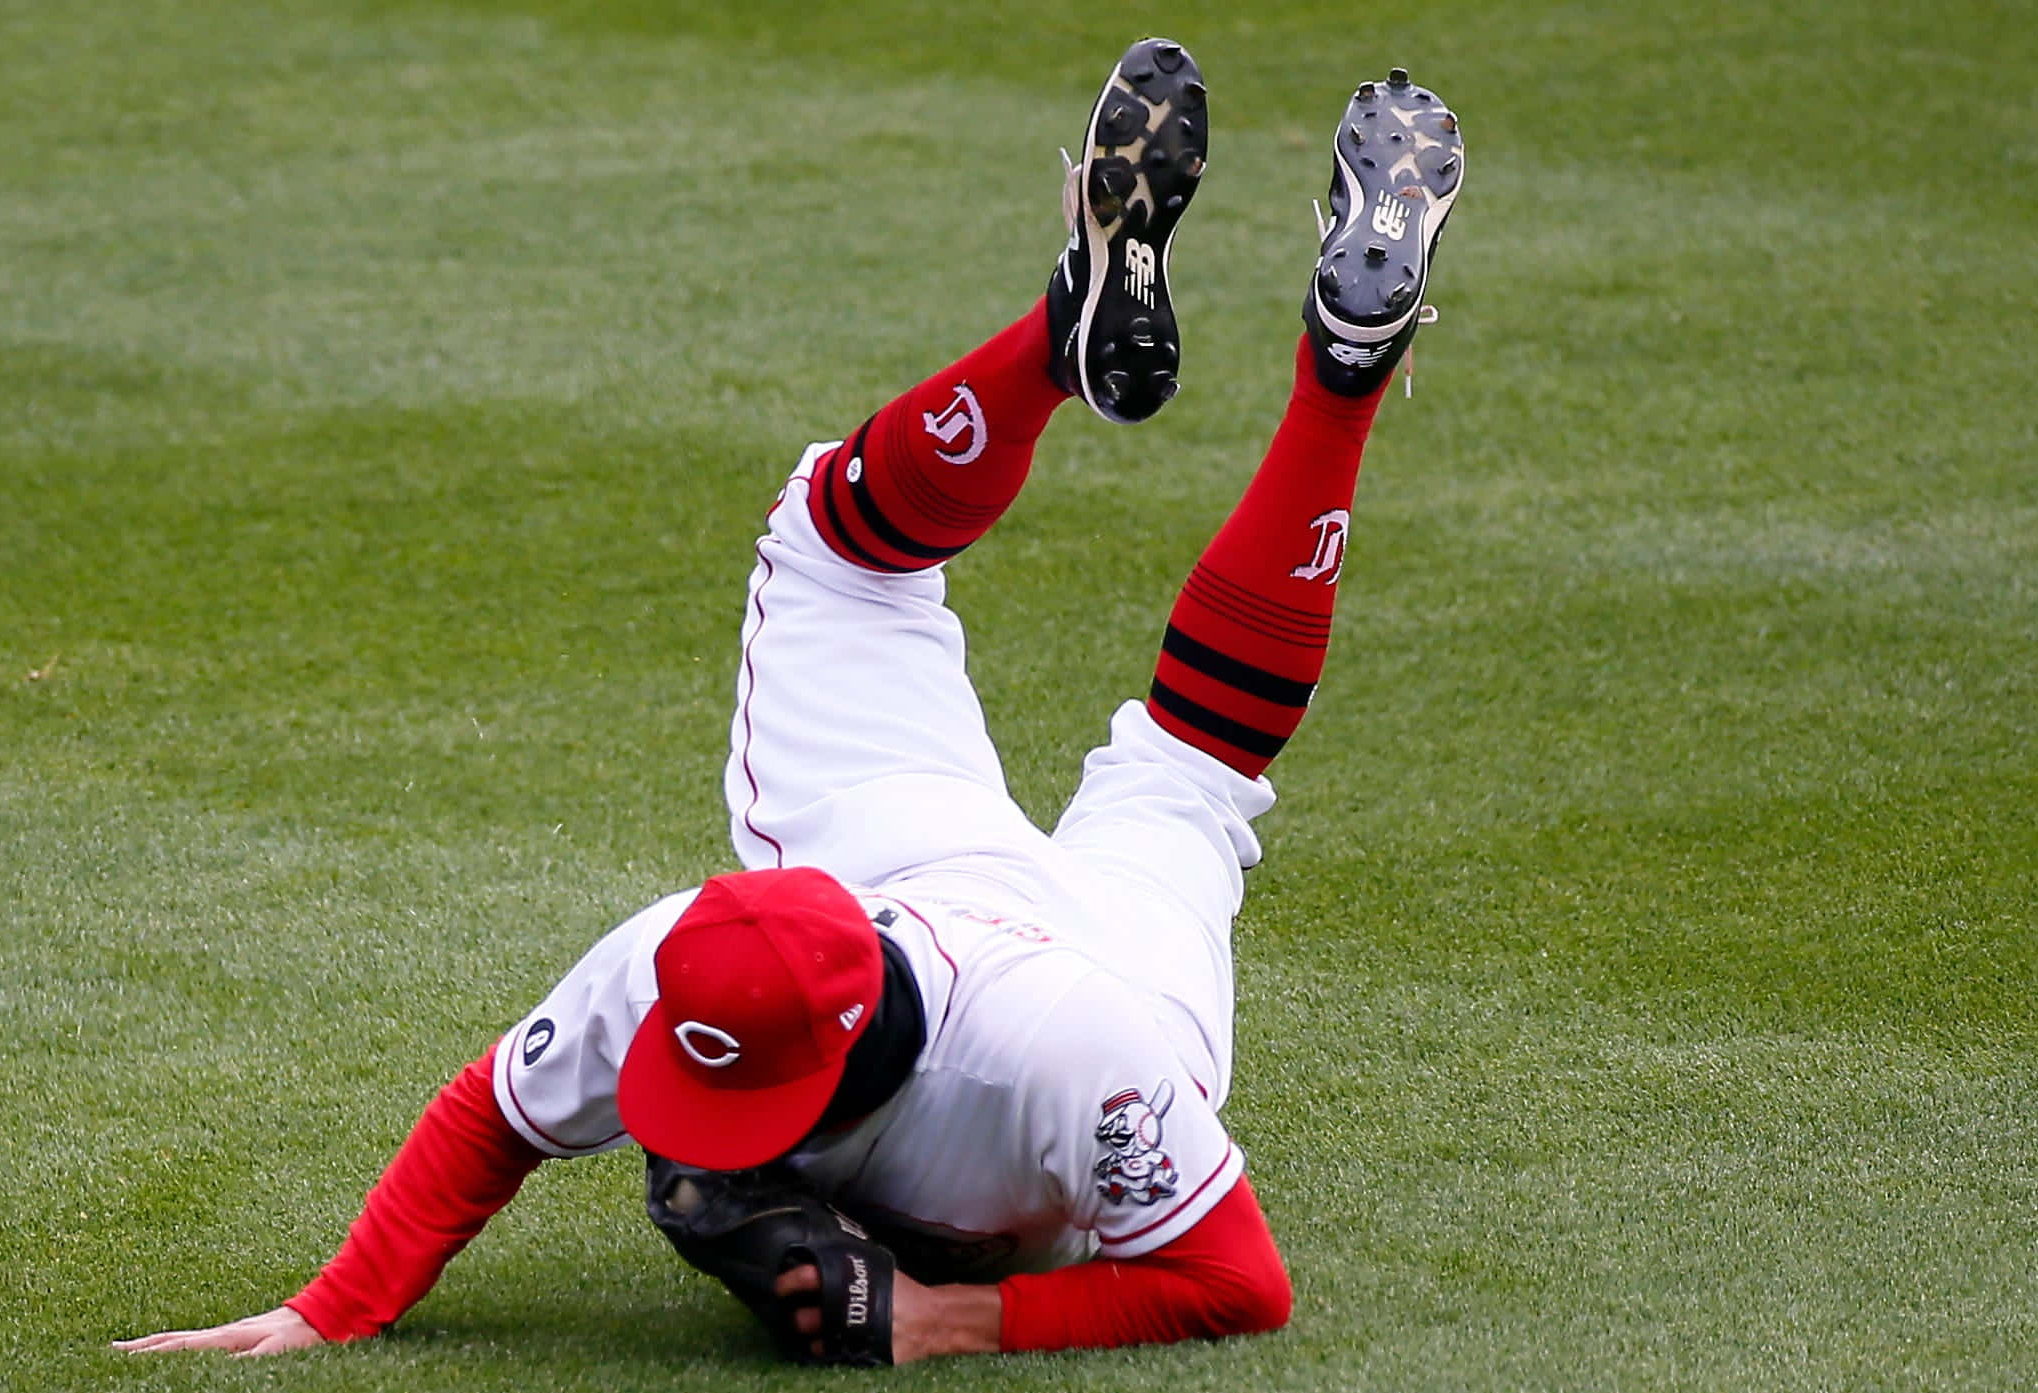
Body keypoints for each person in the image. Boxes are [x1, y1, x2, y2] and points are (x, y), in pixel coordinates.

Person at [115, 37, 1463, 1365]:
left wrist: (958, 1318)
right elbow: (496, 1113)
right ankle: (1222, 355)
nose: (695, 1131)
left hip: (1102, 965)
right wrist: (335, 1301)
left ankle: (1306, 377)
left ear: (851, 1068)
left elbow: (1238, 1279)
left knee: (1193, 765)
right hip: (907, 868)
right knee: (849, 553)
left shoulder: (1078, 1060)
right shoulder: (675, 961)